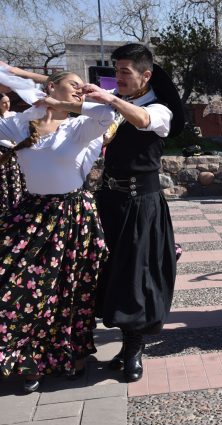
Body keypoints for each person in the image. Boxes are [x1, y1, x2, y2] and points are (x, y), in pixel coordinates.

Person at [0, 68, 115, 393]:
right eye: (74, 85)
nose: (81, 90)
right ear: (51, 86)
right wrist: (31, 86)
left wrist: (83, 96)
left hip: (74, 217)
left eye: (84, 86)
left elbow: (108, 112)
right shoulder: (22, 123)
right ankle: (28, 360)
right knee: (23, 288)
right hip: (32, 216)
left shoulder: (80, 126)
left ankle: (70, 355)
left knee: (70, 292)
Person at [85, 43, 185, 383]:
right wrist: (21, 76)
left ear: (146, 75)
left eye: (125, 73)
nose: (118, 79)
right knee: (109, 273)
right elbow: (66, 97)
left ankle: (133, 350)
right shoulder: (115, 108)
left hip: (141, 205)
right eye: (116, 72)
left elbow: (142, 120)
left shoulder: (160, 110)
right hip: (110, 202)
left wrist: (111, 98)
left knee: (136, 278)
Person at [0, 91, 25, 211]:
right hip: (4, 153)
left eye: (8, 102)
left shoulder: (13, 115)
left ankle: (18, 203)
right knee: (5, 180)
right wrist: (12, 146)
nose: (7, 105)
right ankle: (6, 206)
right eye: (3, 103)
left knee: (18, 178)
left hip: (16, 151)